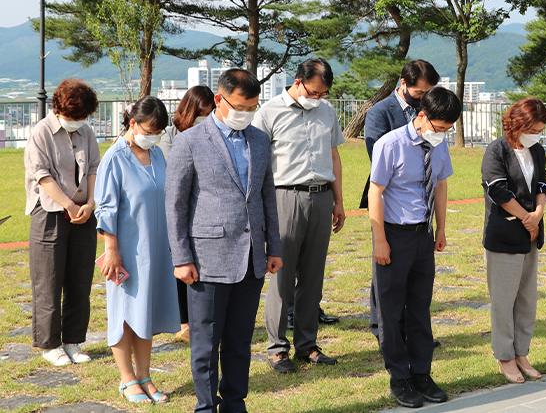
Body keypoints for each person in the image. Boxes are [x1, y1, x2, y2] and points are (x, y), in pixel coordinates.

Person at [166, 68, 282, 413]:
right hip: (207, 258)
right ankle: (205, 406)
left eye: (252, 108)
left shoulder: (259, 140)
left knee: (239, 340)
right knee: (205, 342)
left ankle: (235, 403)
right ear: (219, 100)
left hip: (251, 259)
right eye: (240, 107)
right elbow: (175, 205)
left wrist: (272, 247)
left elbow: (266, 197)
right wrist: (181, 257)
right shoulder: (190, 141)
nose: (246, 114)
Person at [368, 86, 461, 408]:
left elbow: (441, 184)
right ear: (421, 116)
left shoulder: (439, 144)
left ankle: (422, 372)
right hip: (394, 234)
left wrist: (442, 229)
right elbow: (375, 193)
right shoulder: (389, 144)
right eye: (439, 128)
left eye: (448, 130)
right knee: (391, 312)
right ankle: (400, 377)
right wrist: (380, 240)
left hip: (423, 233)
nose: (442, 135)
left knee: (420, 309)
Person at [252, 57, 345, 373]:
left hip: (321, 197)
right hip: (285, 198)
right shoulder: (268, 113)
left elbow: (333, 156)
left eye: (323, 94)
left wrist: (339, 201)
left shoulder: (327, 112)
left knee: (313, 275)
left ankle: (307, 344)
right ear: (298, 82)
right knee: (281, 274)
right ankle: (277, 348)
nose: (317, 98)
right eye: (314, 92)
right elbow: (258, 164)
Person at [95, 96, 179, 404]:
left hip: (155, 247)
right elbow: (106, 208)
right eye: (150, 128)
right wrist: (112, 249)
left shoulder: (157, 154)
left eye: (159, 130)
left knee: (147, 312)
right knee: (124, 315)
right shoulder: (115, 158)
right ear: (134, 124)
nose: (154, 135)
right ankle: (127, 379)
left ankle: (145, 375)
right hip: (125, 247)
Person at [362, 59, 440, 343]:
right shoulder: (380, 112)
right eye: (420, 93)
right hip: (389, 199)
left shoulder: (426, 111)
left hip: (419, 204)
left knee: (413, 274)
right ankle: (382, 327)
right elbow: (378, 159)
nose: (424, 98)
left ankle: (411, 328)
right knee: (385, 268)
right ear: (403, 84)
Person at [24, 78, 100, 366]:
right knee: (49, 280)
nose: (79, 121)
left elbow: (93, 167)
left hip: (83, 211)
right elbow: (42, 175)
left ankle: (73, 340)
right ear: (59, 109)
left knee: (80, 279)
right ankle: (49, 343)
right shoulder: (41, 133)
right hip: (49, 211)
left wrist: (90, 203)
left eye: (83, 117)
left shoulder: (87, 131)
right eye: (74, 116)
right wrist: (69, 205)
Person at [481, 97, 546, 383]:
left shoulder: (537, 150)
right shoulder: (495, 151)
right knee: (503, 300)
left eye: (540, 130)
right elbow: (498, 191)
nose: (536, 135)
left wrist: (537, 213)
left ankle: (522, 352)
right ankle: (505, 356)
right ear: (517, 124)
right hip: (505, 235)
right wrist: (527, 217)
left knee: (526, 299)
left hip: (531, 234)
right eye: (533, 129)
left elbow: (543, 184)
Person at [158, 84, 216, 343]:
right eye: (202, 112)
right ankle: (184, 323)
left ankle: (206, 318)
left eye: (210, 111)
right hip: (180, 207)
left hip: (206, 208)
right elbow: (172, 169)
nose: (206, 117)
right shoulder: (171, 133)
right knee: (181, 263)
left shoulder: (215, 133)